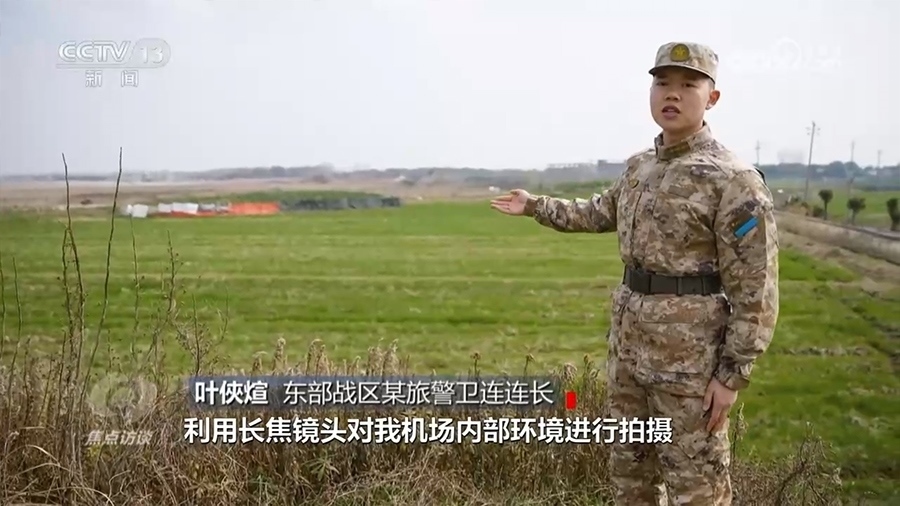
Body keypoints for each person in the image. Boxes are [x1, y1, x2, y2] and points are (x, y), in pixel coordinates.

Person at [489, 41, 779, 505]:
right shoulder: (640, 168)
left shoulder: (733, 180)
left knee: (697, 488)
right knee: (630, 478)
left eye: (688, 85)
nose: (672, 94)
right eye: (662, 83)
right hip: (629, 354)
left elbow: (756, 289)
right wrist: (535, 206)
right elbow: (596, 212)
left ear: (712, 98)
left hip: (689, 364)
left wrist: (731, 376)